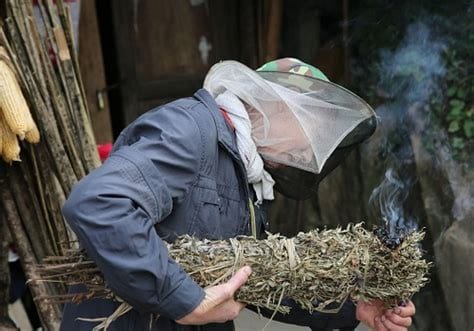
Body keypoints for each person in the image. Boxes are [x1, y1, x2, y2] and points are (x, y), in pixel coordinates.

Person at [61, 58, 416, 331]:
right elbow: (99, 204)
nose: (308, 153)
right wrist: (186, 301)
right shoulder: (190, 129)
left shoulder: (243, 171)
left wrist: (351, 306)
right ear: (275, 105)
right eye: (311, 132)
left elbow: (257, 278)